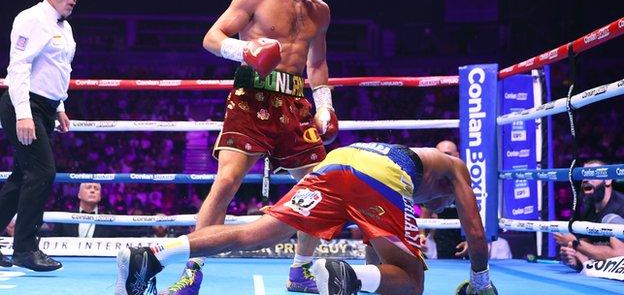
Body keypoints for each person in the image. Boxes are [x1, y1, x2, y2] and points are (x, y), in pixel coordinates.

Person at [159, 0, 347, 294]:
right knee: (227, 181)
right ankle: (191, 271)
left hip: (294, 103)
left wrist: (325, 105)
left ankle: (300, 271)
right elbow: (212, 38)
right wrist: (245, 50)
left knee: (320, 187)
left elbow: (317, 65)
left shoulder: (321, 12)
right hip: (251, 97)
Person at [116, 142, 498, 295]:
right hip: (379, 173)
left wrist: (373, 278)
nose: (433, 204)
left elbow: (376, 248)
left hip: (339, 161)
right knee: (414, 282)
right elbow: (476, 233)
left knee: (254, 233)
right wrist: (480, 282)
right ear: (446, 188)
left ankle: (151, 255)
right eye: (441, 202)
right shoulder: (454, 168)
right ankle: (342, 276)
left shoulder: (414, 167)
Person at [0, 0, 79, 272]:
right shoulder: (30, 19)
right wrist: (23, 114)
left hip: (45, 108)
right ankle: (25, 250)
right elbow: (18, 68)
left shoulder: (66, 28)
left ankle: (23, 248)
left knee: (21, 178)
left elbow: (59, 70)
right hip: (25, 105)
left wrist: (59, 106)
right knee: (42, 173)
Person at [554, 159, 624, 270]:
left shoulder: (620, 207)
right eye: (583, 175)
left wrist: (574, 242)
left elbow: (619, 254)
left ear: (607, 180)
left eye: (592, 174)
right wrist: (573, 257)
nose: (585, 179)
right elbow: (585, 247)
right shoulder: (588, 209)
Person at [419, 140, 468, 259]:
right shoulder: (431, 179)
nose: (444, 159)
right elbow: (426, 211)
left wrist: (470, 239)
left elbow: (475, 214)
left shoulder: (468, 177)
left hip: (467, 232)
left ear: (457, 155)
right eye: (440, 155)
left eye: (448, 154)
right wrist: (421, 235)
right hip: (444, 236)